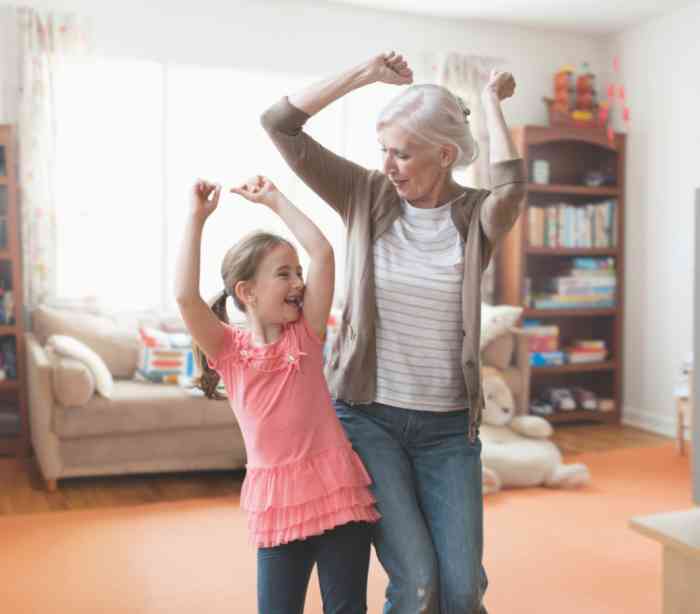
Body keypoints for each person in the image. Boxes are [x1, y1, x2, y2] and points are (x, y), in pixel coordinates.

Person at [261, 52, 526, 613]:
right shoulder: (366, 195)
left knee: (460, 592)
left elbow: (511, 188)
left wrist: (490, 105)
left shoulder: (475, 217)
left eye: (402, 153)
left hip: (450, 432)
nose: (388, 165)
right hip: (368, 420)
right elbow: (279, 124)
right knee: (419, 584)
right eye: (384, 150)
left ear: (444, 154)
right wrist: (361, 75)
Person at [174, 175, 380, 614]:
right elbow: (185, 296)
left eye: (298, 273)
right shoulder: (228, 350)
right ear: (246, 292)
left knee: (347, 609)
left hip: (338, 492)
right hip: (278, 504)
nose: (298, 282)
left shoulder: (304, 334)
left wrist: (275, 200)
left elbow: (323, 253)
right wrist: (196, 220)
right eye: (284, 274)